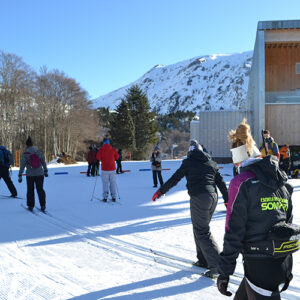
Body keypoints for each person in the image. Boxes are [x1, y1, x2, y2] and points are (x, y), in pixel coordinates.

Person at [217, 119, 294, 299]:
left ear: (238, 161)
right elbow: (286, 223)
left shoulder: (241, 183)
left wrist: (224, 271)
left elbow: (233, 230)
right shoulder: (281, 183)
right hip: (281, 263)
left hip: (259, 266)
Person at [152, 139, 228, 278]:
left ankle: (217, 266)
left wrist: (161, 191)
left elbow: (175, 179)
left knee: (202, 231)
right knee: (199, 228)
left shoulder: (188, 162)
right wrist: (227, 200)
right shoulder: (211, 163)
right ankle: (203, 259)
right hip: (213, 197)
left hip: (200, 198)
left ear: (191, 151)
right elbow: (221, 182)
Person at [18, 137, 48, 211]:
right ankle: (43, 205)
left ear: (26, 145)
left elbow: (22, 165)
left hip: (30, 175)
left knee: (30, 190)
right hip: (40, 174)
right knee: (40, 189)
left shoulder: (25, 154)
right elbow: (43, 161)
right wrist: (45, 170)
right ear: (32, 144)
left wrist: (20, 175)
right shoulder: (38, 152)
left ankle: (30, 205)